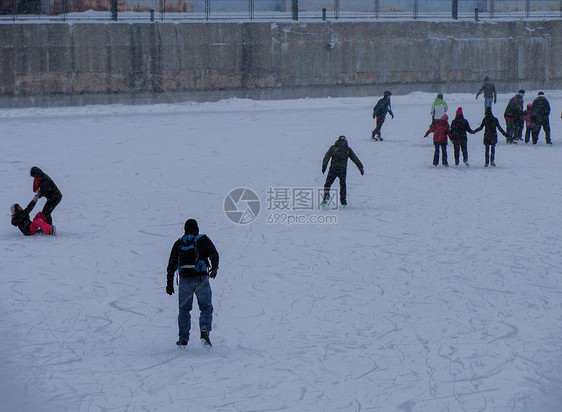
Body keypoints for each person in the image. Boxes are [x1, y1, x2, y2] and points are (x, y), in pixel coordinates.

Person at [166, 219, 219, 350]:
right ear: (197, 228)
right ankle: (204, 331)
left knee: (184, 309)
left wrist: (169, 284)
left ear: (185, 229)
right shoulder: (203, 239)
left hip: (184, 280)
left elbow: (171, 265)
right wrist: (214, 268)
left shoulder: (179, 243)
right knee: (205, 307)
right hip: (201, 278)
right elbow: (214, 254)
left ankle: (183, 338)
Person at [321, 135, 364, 207]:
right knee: (343, 185)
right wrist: (360, 168)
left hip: (333, 169)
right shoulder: (348, 149)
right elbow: (355, 159)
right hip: (342, 170)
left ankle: (326, 197)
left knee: (327, 184)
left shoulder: (333, 148)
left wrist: (324, 167)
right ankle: (343, 201)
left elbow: (326, 157)